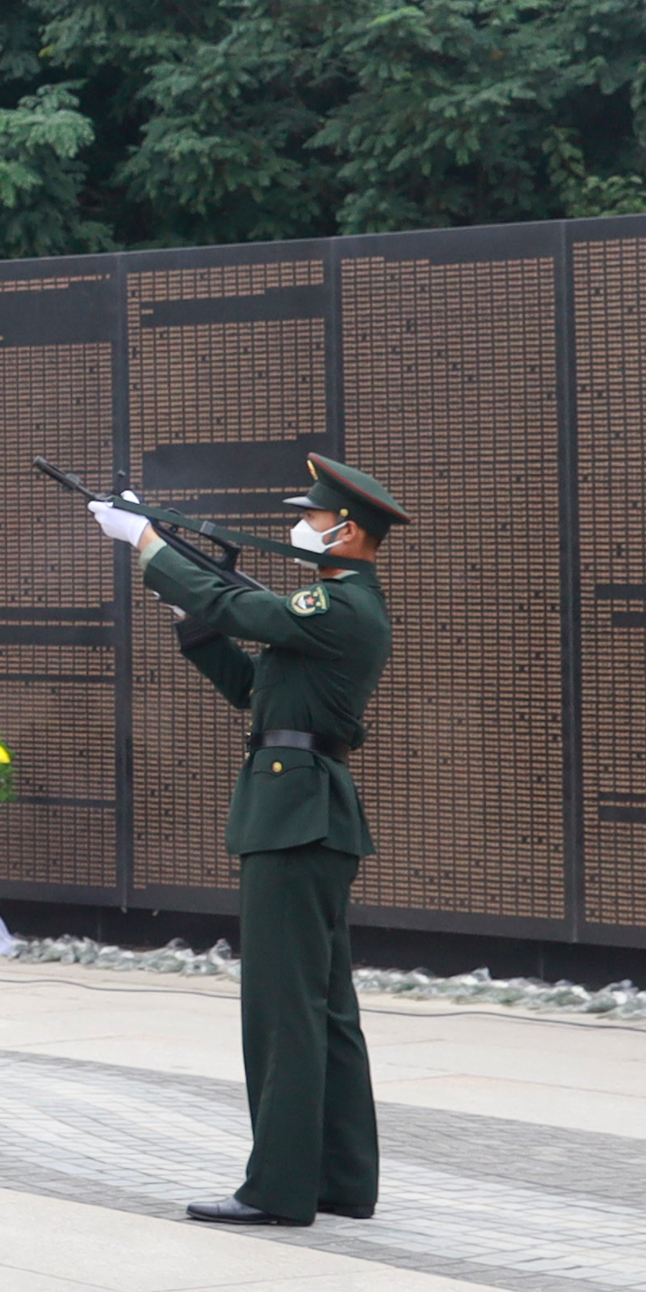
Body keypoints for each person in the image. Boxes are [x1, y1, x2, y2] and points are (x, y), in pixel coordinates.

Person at [107, 453, 401, 1228]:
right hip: (303, 812)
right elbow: (254, 689)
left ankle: (278, 1187)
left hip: (297, 817)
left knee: (284, 1008)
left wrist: (150, 546)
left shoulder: (343, 607)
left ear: (349, 530)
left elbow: (252, 613)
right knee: (324, 1007)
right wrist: (192, 616)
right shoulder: (331, 608)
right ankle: (340, 1176)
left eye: (311, 516)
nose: (299, 526)